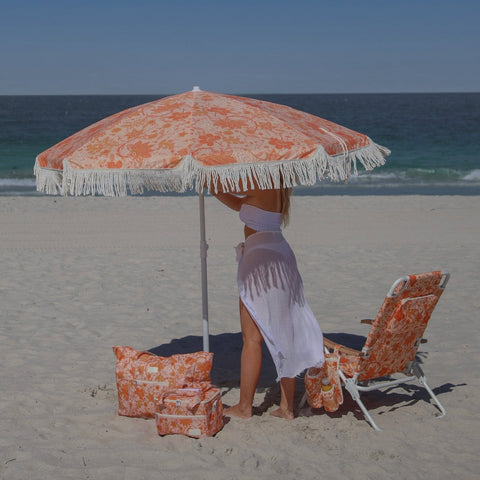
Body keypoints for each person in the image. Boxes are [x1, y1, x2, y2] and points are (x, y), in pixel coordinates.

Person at [213, 181, 324, 420]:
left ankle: (244, 407)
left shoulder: (259, 179)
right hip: (278, 253)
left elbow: (228, 182)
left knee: (252, 338)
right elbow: (241, 204)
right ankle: (287, 407)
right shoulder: (276, 181)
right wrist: (213, 190)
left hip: (262, 258)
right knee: (285, 330)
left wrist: (206, 177)